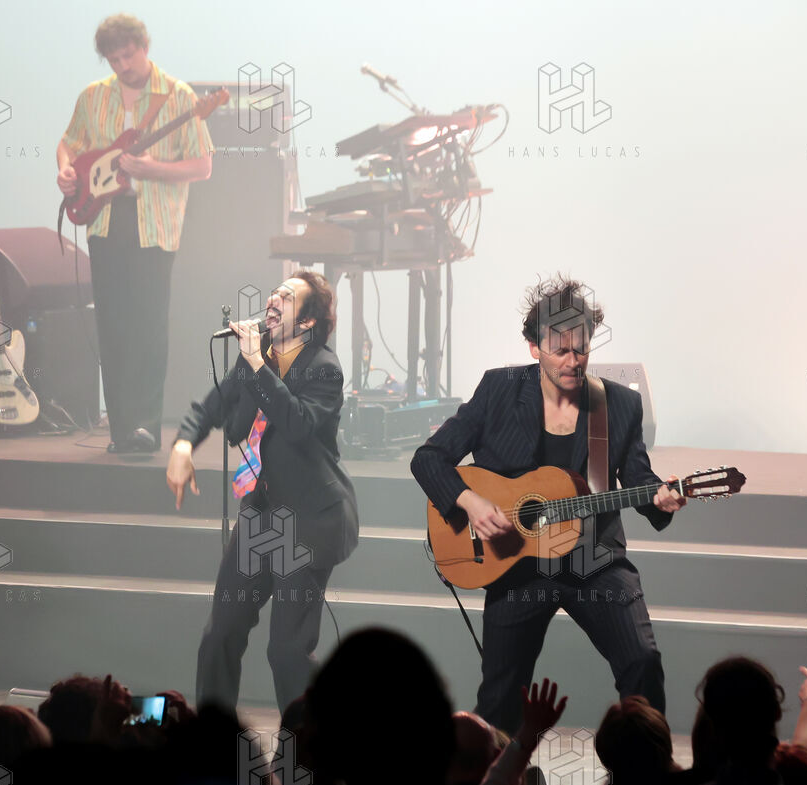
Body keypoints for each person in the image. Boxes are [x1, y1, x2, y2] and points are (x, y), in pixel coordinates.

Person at [411, 276, 685, 733]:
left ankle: (645, 768)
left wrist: (662, 497)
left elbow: (639, 480)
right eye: (560, 350)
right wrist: (471, 502)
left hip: (592, 557)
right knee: (499, 697)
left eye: (581, 349)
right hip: (515, 562)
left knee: (643, 662)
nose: (573, 361)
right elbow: (428, 459)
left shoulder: (618, 405)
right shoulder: (499, 390)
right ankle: (498, 777)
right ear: (534, 347)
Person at [167, 272, 359, 713]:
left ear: (307, 322)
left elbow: (295, 424)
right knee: (220, 634)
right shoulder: (258, 358)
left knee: (287, 652)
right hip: (264, 512)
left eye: (286, 298)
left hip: (308, 519)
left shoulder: (323, 368)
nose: (273, 300)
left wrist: (257, 364)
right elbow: (209, 407)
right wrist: (182, 445)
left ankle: (308, 742)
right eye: (273, 293)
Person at [56, 14, 213, 453]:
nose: (123, 66)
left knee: (148, 326)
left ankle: (145, 426)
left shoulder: (178, 96)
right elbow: (68, 143)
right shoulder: (93, 96)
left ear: (145, 46)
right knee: (112, 326)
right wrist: (65, 171)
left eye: (129, 55)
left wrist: (152, 169)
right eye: (114, 60)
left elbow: (203, 165)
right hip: (104, 221)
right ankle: (120, 429)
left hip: (154, 224)